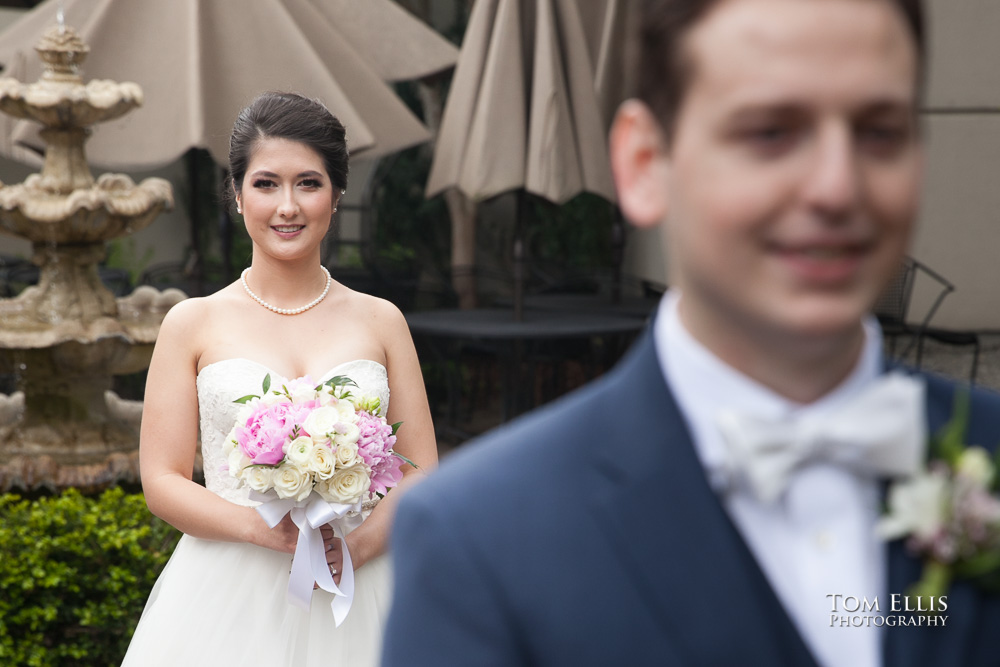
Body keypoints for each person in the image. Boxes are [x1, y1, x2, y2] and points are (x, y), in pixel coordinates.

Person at [382, 0, 1000, 665]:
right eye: (770, 132)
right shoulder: (480, 542)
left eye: (880, 131)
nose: (836, 187)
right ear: (646, 163)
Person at [122, 92, 437, 666]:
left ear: (336, 196)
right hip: (225, 590)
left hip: (361, 583)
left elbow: (422, 469)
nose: (287, 206)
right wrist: (262, 531)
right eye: (266, 183)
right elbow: (161, 480)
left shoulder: (382, 319)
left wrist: (357, 548)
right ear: (236, 194)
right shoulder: (191, 323)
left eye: (308, 183)